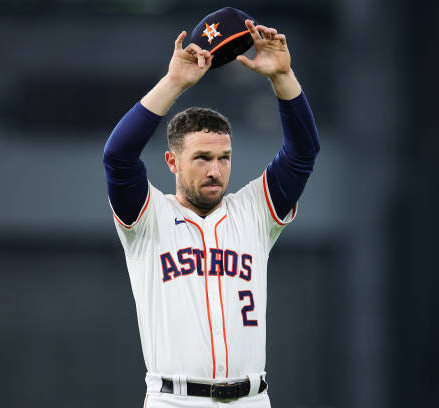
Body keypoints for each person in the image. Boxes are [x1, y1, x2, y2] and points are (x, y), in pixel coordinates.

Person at [103, 18, 319, 408]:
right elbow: (117, 156)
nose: (215, 170)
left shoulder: (254, 212)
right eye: (201, 158)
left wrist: (283, 76)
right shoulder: (147, 217)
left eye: (224, 158)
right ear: (171, 161)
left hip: (252, 398)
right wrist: (175, 83)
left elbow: (302, 152)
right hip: (175, 399)